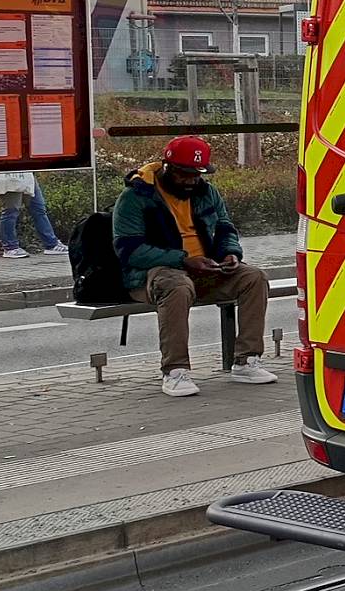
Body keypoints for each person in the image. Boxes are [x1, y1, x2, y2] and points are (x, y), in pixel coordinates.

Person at [113, 136, 274, 397]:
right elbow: (129, 251)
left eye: (197, 174)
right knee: (177, 286)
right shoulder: (136, 196)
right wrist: (182, 260)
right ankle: (175, 371)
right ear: (167, 167)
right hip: (154, 274)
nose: (191, 181)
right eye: (184, 174)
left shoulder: (206, 192)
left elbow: (225, 227)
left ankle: (246, 361)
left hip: (205, 268)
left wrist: (229, 253)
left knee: (254, 277)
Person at [0, 171, 66, 258]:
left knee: (38, 209)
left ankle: (51, 244)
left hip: (27, 175)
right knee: (11, 211)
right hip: (7, 175)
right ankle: (10, 247)